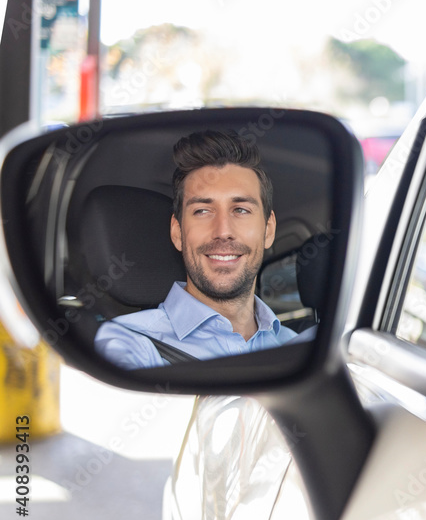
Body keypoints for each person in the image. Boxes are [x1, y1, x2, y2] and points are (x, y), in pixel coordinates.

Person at [95, 130, 300, 369]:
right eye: (202, 211)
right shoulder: (129, 343)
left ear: (268, 230)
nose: (223, 231)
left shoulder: (298, 348)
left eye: (241, 210)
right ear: (177, 232)